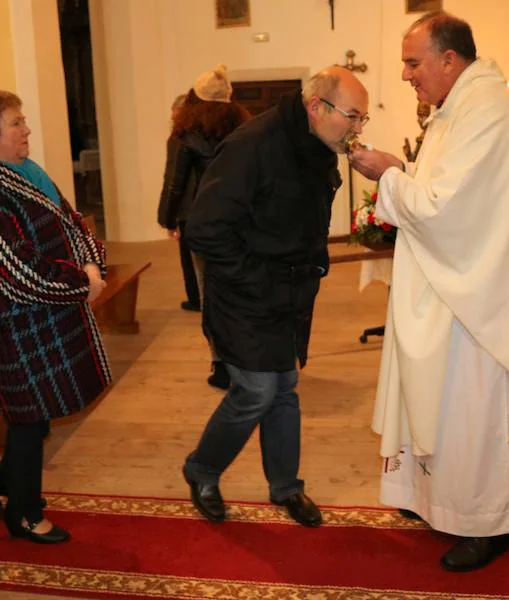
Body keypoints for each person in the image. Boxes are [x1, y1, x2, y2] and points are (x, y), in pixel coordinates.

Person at [349, 12, 509, 572]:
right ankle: (439, 500)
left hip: (481, 302)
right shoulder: (459, 109)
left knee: (473, 411)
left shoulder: (490, 113)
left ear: (450, 59)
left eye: (413, 62)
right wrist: (403, 175)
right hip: (453, 288)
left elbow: (447, 210)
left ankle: (486, 525)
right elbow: (445, 193)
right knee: (446, 408)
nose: (405, 75)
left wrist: (389, 174)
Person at [183, 66, 369, 527]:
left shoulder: (317, 146)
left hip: (290, 293)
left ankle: (286, 487)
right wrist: (254, 279)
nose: (358, 128)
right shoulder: (253, 145)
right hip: (245, 293)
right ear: (316, 107)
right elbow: (204, 229)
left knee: (285, 387)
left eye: (362, 119)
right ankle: (201, 470)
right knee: (256, 390)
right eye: (354, 116)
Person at [0, 90, 112, 544]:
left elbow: (71, 222)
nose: (27, 129)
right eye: (16, 122)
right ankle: (22, 512)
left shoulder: (21, 174)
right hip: (13, 326)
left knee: (32, 419)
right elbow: (17, 271)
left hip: (41, 318)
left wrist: (92, 263)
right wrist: (82, 281)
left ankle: (9, 480)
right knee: (27, 417)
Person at [157, 66, 251, 389]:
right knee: (239, 287)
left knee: (210, 291)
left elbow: (174, 183)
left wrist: (168, 219)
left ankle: (221, 364)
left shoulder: (184, 134)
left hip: (200, 222)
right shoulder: (245, 129)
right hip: (240, 220)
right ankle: (247, 357)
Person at [158, 92, 201, 313]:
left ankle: (196, 298)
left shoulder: (179, 139)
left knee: (189, 257)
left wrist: (168, 217)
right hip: (206, 204)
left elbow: (173, 180)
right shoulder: (206, 136)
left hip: (187, 208)